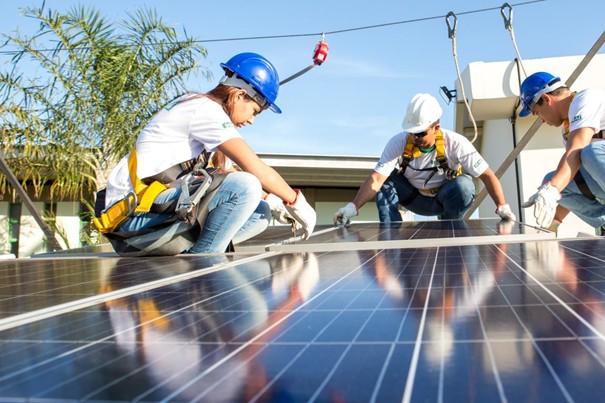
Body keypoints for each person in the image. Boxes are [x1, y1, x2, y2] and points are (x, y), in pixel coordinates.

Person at [96, 52, 316, 255]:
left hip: (154, 216)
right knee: (246, 185)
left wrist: (274, 202)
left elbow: (222, 174)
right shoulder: (204, 110)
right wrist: (296, 202)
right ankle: (201, 269)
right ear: (239, 95)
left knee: (260, 213)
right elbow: (254, 168)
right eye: (254, 111)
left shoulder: (202, 112)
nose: (251, 120)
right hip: (132, 219)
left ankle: (191, 259)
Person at [334, 93, 516, 225]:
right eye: (412, 132)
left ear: (436, 127)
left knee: (465, 186)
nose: (415, 138)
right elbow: (376, 179)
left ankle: (450, 225)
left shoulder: (456, 143)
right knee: (386, 183)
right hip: (414, 198)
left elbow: (487, 175)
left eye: (420, 133)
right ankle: (391, 238)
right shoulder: (398, 143)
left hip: (444, 201)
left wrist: (502, 206)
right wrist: (353, 207)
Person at [519, 71, 605, 232]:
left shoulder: (585, 99)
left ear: (545, 99)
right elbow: (571, 171)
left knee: (588, 153)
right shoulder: (568, 130)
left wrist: (552, 190)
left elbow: (577, 149)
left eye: (537, 113)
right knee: (551, 179)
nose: (542, 121)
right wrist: (555, 221)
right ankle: (604, 222)